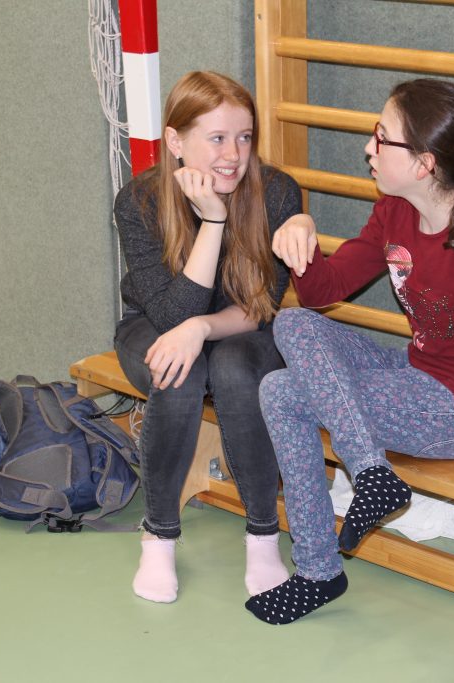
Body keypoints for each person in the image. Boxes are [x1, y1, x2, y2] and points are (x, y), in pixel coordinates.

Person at [246, 79, 454, 624]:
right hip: (415, 372)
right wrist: (301, 234)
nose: (369, 148)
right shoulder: (394, 214)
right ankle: (369, 476)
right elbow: (322, 292)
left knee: (282, 392)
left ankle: (319, 568)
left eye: (382, 138)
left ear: (425, 163)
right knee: (292, 323)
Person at [113, 71, 301, 603]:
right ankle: (158, 535)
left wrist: (201, 328)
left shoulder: (277, 191)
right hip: (154, 325)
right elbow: (173, 314)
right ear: (176, 141)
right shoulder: (139, 201)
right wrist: (213, 223)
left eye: (244, 137)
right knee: (180, 368)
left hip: (240, 326)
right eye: (217, 138)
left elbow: (260, 306)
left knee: (235, 368)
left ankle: (263, 535)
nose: (233, 155)